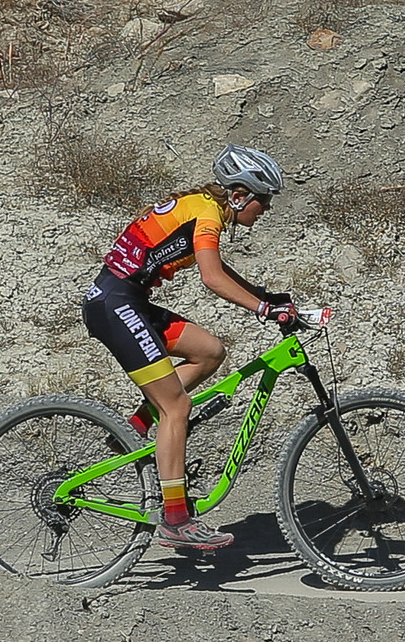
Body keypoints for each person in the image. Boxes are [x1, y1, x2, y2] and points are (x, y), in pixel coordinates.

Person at [82, 144, 297, 550]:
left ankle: (136, 427)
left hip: (125, 301)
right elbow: (212, 278)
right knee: (177, 407)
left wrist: (262, 295)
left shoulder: (203, 206)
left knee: (210, 351)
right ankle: (175, 519)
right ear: (239, 195)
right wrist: (264, 309)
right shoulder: (207, 214)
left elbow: (216, 267)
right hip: (115, 305)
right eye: (264, 200)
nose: (266, 209)